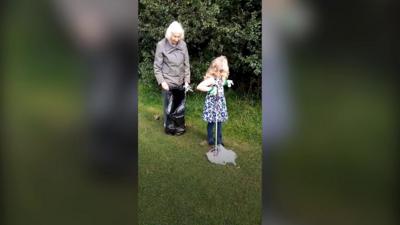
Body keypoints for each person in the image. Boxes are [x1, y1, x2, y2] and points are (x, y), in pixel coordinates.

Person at [154, 21, 191, 135]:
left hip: (180, 81)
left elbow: (186, 64)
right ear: (169, 34)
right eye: (174, 36)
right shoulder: (161, 45)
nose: (176, 38)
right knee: (168, 106)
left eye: (179, 36)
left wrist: (187, 81)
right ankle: (168, 125)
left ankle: (178, 125)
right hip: (167, 81)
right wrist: (162, 82)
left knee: (179, 105)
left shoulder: (183, 44)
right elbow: (157, 67)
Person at [197, 56, 233, 146]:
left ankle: (219, 140)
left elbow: (221, 83)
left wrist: (227, 82)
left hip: (220, 103)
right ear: (214, 69)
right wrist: (210, 90)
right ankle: (210, 138)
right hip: (212, 104)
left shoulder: (221, 78)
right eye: (219, 71)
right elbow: (199, 86)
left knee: (219, 122)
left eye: (223, 72)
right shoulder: (211, 79)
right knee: (211, 122)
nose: (221, 73)